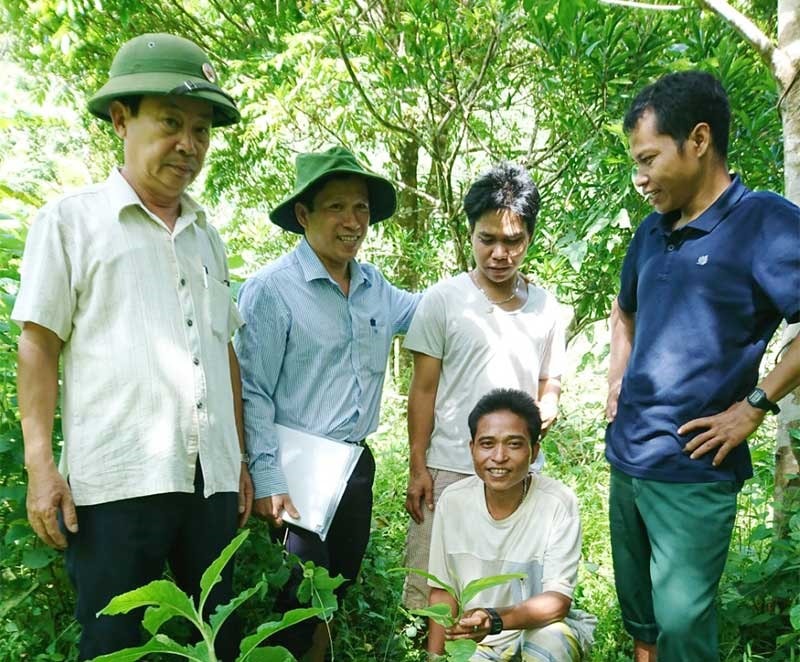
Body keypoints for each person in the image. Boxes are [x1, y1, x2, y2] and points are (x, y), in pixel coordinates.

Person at [13, 33, 253, 660]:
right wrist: (42, 466)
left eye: (201, 129)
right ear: (122, 119)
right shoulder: (71, 222)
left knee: (218, 638)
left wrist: (240, 459)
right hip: (118, 481)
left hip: (211, 482)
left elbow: (221, 346)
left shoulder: (207, 235)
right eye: (171, 122)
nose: (190, 144)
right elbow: (38, 344)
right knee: (117, 643)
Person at [606, 70, 800, 661]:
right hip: (628, 462)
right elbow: (625, 311)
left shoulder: (764, 222)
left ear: (698, 140)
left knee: (684, 628)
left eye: (648, 160)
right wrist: (617, 383)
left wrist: (754, 407)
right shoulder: (650, 231)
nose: (639, 179)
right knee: (642, 625)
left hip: (693, 474)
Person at [234, 145, 420, 660]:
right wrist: (267, 478)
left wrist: (493, 284)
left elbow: (431, 313)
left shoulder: (374, 285)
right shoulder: (271, 291)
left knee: (335, 589)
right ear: (303, 214)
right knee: (300, 596)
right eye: (337, 206)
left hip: (354, 464)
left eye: (361, 208)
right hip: (296, 471)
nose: (352, 221)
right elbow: (252, 390)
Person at [402, 163, 566, 611]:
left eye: (512, 241)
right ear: (470, 234)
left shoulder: (547, 308)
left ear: (529, 238)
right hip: (450, 469)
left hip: (519, 469)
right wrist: (419, 467)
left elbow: (551, 378)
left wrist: (548, 401)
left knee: (510, 589)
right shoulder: (443, 301)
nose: (499, 253)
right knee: (435, 594)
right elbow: (423, 391)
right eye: (487, 239)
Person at [426, 388, 595, 661]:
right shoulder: (453, 501)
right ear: (472, 449)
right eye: (487, 443)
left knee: (552, 642)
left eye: (514, 444)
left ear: (534, 450)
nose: (499, 456)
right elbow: (442, 591)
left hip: (538, 630)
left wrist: (493, 619)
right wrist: (434, 658)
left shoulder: (557, 502)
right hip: (477, 642)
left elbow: (557, 601)